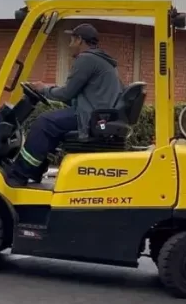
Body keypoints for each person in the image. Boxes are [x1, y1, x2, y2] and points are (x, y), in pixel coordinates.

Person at [7, 24, 122, 185]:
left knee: (44, 122)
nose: (69, 45)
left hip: (89, 116)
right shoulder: (103, 61)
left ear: (79, 40)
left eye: (71, 40)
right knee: (53, 126)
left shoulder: (86, 59)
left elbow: (67, 93)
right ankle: (35, 170)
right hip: (96, 115)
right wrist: (48, 89)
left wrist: (44, 89)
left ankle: (18, 175)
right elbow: (73, 95)